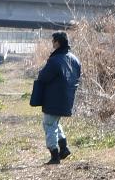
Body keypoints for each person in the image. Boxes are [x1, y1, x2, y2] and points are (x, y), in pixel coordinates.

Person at [30, 30, 82, 164]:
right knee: (54, 122)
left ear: (57, 43)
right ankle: (64, 149)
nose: (52, 43)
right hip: (67, 97)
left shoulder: (55, 60)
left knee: (48, 124)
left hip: (54, 98)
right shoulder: (75, 59)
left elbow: (43, 76)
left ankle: (54, 155)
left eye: (53, 41)